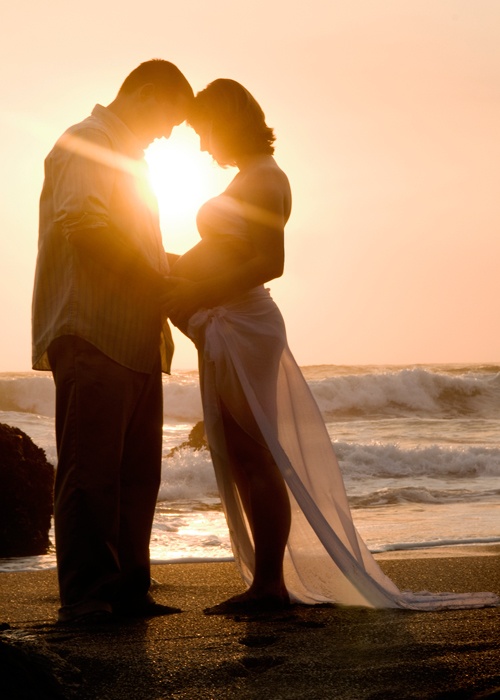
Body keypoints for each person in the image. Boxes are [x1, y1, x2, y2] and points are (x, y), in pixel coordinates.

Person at [164, 79, 499, 614]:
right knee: (242, 452)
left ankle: (270, 584)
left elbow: (269, 261)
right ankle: (265, 583)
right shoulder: (251, 177)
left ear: (226, 121)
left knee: (257, 454)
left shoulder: (267, 177)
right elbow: (228, 251)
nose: (204, 146)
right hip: (228, 319)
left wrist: (191, 291)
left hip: (246, 324)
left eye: (205, 132)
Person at [32, 59, 194, 624]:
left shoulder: (131, 159)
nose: (168, 133)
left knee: (135, 474)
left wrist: (185, 276)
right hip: (93, 330)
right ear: (146, 93)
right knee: (91, 468)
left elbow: (136, 247)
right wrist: (159, 282)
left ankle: (128, 590)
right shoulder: (88, 142)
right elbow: (85, 225)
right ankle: (86, 597)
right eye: (169, 118)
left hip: (136, 336)